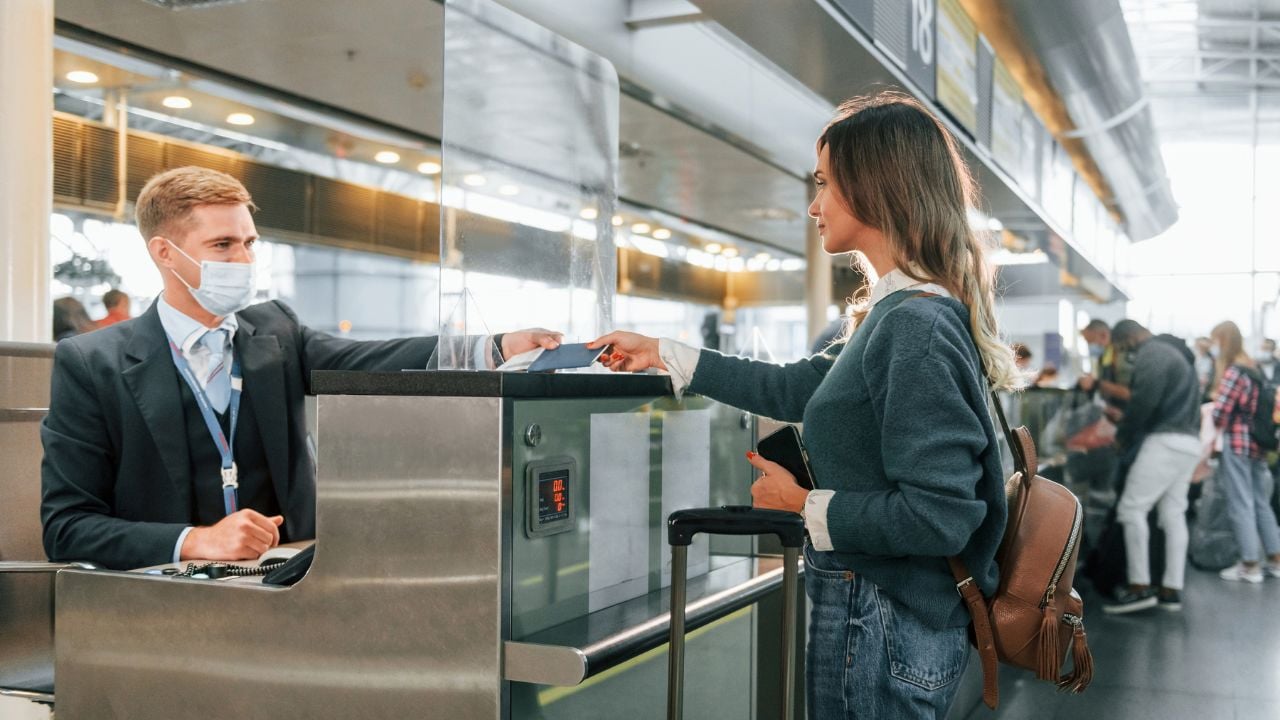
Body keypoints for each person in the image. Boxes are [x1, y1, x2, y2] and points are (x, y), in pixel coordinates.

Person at [590, 93, 1016, 719]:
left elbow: (940, 517)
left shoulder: (915, 325)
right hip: (879, 615)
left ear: (877, 186)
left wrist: (803, 505)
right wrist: (663, 352)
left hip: (882, 621)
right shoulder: (897, 313)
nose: (814, 206)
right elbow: (795, 387)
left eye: (824, 184)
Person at [41, 166, 561, 570]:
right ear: (165, 253)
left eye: (249, 243)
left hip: (287, 585)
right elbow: (67, 528)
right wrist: (196, 540)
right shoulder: (93, 363)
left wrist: (497, 347)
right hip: (161, 602)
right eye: (222, 245)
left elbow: (370, 361)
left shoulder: (276, 332)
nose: (244, 260)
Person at [1102, 320, 1202, 614]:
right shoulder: (1177, 354)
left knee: (1131, 509)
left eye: (1121, 347)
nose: (1124, 353)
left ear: (1128, 338)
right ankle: (1171, 590)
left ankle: (1139, 587)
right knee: (1173, 513)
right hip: (1189, 442)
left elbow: (1144, 401)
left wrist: (1122, 434)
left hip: (1164, 441)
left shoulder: (1153, 352)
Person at [1208, 321, 1280, 583]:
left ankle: (1250, 564)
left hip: (1238, 443)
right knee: (1261, 502)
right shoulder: (1254, 368)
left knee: (1241, 503)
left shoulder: (1234, 371)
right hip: (1259, 444)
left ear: (1223, 341)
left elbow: (1221, 413)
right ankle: (1275, 559)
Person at [1078, 318, 1130, 416]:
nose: (1091, 346)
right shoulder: (1105, 353)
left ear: (1104, 335)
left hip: (1125, 413)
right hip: (1110, 409)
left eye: (1092, 342)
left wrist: (1095, 383)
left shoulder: (1122, 354)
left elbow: (1127, 393)